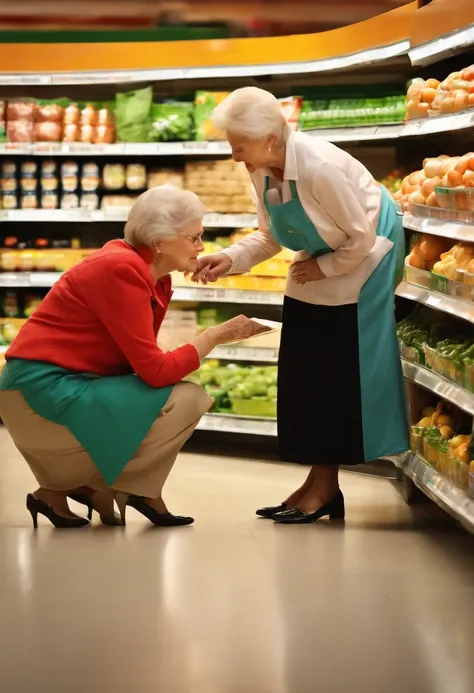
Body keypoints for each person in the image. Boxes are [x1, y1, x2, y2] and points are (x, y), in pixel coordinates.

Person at [192, 87, 409, 524]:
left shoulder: (318, 167)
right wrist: (229, 259)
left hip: (368, 253)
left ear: (270, 138)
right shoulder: (262, 167)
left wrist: (327, 268)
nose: (235, 156)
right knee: (305, 361)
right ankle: (316, 482)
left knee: (337, 366)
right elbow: (270, 236)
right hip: (329, 252)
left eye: (239, 146)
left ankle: (326, 487)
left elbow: (360, 237)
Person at [0, 186, 264, 529]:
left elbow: (138, 359)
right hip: (38, 389)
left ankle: (63, 492)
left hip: (69, 382)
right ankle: (120, 489)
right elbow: (154, 372)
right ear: (159, 241)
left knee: (172, 396)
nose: (201, 247)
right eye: (195, 237)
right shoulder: (120, 269)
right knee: (184, 399)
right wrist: (215, 336)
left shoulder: (151, 274)